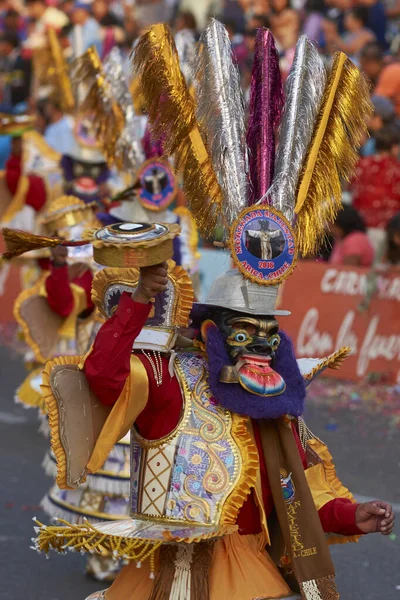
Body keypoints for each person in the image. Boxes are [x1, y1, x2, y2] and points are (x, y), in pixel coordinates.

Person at [30, 24, 394, 600]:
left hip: (259, 575)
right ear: (209, 330)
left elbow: (303, 495)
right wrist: (141, 302)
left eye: (268, 335)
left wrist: (353, 515)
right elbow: (101, 378)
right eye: (243, 333)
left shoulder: (278, 403)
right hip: (177, 577)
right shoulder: (171, 380)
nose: (259, 347)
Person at [351, 125, 400, 234]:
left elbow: (350, 188)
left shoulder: (361, 164)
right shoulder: (396, 169)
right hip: (386, 228)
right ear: (394, 147)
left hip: (359, 225)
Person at [360, 42, 400, 116]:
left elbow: (374, 103)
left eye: (364, 65)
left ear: (373, 63)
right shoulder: (386, 66)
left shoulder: (391, 70)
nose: (363, 69)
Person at [0, 32, 32, 113]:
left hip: (19, 103)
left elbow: (26, 81)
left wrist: (27, 99)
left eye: (1, 44)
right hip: (6, 101)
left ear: (8, 45)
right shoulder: (3, 60)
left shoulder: (22, 60)